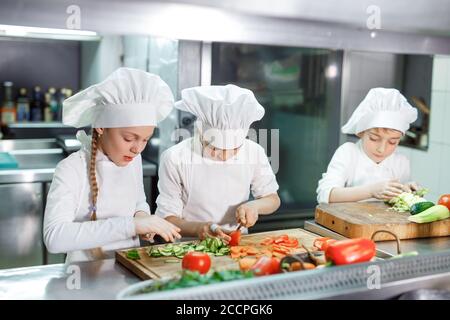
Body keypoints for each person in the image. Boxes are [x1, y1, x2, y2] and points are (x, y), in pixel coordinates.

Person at [44, 68, 181, 262]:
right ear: (101, 126)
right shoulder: (71, 169)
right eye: (129, 138)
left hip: (129, 267)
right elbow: (54, 238)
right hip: (84, 279)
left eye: (145, 140)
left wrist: (142, 216)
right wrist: (132, 225)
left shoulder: (133, 159)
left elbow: (137, 200)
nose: (137, 149)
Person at [156, 84, 280, 242]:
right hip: (192, 246)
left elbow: (272, 199)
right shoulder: (175, 157)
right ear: (200, 133)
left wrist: (254, 206)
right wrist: (200, 229)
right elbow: (168, 219)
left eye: (234, 149)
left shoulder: (254, 152)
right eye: (214, 147)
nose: (224, 156)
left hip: (238, 243)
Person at [317, 87, 419, 204]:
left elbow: (401, 199)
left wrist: (408, 190)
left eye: (392, 142)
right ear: (361, 132)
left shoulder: (401, 162)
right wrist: (370, 191)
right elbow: (325, 195)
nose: (382, 149)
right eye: (374, 138)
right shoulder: (348, 153)